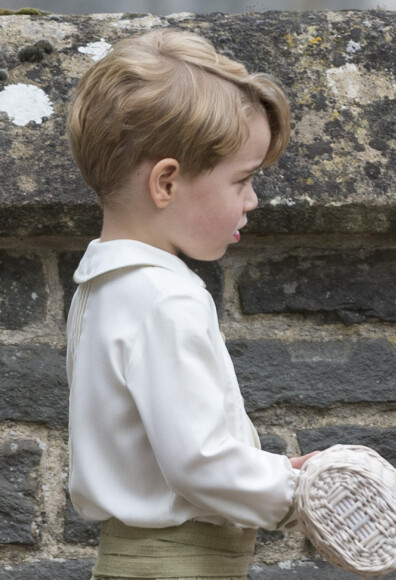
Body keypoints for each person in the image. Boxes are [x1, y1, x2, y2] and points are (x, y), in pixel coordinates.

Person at [66, 29, 315, 580]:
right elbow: (197, 460)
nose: (252, 201)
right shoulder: (164, 297)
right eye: (242, 180)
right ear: (166, 183)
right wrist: (296, 489)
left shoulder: (102, 284)